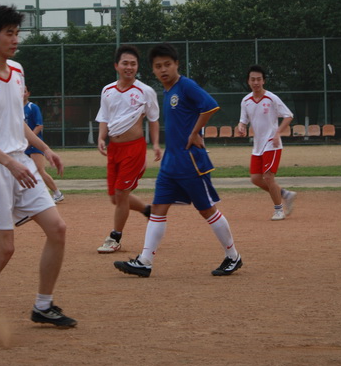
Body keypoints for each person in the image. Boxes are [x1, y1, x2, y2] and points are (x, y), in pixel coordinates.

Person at [0, 4, 76, 330]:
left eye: (17, 33)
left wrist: (45, 149)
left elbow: (17, 122)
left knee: (58, 229)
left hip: (21, 163)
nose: (15, 39)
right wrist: (8, 162)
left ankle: (43, 306)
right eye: (9, 33)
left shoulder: (17, 71)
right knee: (4, 250)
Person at [114, 42, 242, 278]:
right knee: (158, 210)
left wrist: (195, 133)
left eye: (167, 64)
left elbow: (210, 106)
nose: (163, 70)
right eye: (158, 66)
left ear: (176, 65)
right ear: (153, 69)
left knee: (207, 210)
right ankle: (144, 262)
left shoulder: (186, 86)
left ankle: (233, 257)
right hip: (170, 163)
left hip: (190, 162)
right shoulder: (167, 91)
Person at [96, 44, 161, 253]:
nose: (129, 67)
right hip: (114, 149)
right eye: (125, 63)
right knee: (115, 197)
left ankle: (115, 237)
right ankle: (148, 210)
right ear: (116, 65)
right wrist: (101, 137)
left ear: (137, 67)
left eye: (133, 64)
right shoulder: (107, 90)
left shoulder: (145, 91)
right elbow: (104, 117)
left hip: (134, 149)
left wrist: (156, 144)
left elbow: (153, 120)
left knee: (121, 194)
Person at [237, 64, 296, 220]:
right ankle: (285, 194)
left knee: (268, 177)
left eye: (259, 79)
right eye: (253, 79)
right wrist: (241, 127)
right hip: (258, 146)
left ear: (263, 81)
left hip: (272, 143)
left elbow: (288, 115)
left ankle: (279, 210)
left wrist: (278, 133)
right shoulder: (246, 101)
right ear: (248, 81)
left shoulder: (271, 98)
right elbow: (243, 120)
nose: (256, 82)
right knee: (255, 179)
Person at [24, 85, 64, 203]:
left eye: (24, 91)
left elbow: (39, 126)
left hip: (34, 144)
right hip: (22, 145)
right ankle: (30, 196)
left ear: (29, 93)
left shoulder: (32, 107)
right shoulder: (16, 109)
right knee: (24, 171)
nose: (22, 93)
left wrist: (30, 140)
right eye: (20, 91)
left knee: (39, 170)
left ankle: (57, 193)